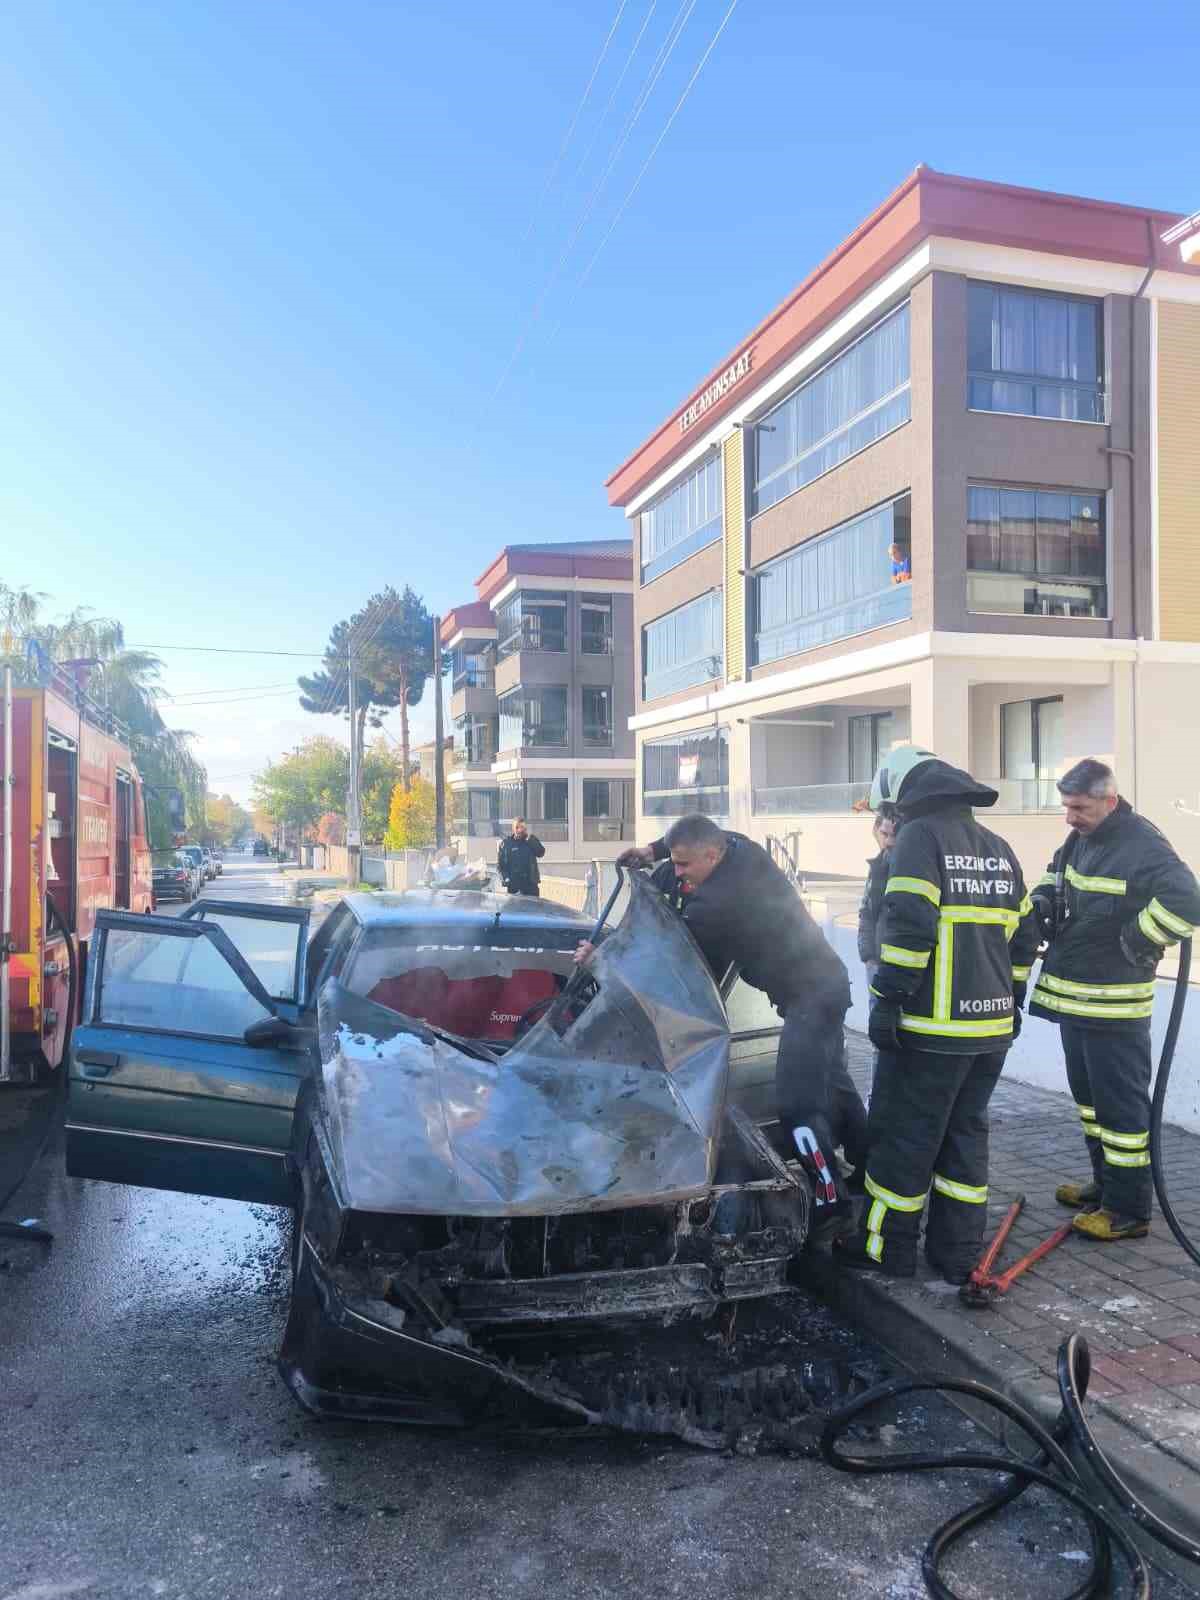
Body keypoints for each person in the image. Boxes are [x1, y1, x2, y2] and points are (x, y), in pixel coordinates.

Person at [592, 815, 867, 1218]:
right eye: (673, 861)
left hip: (811, 999)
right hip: (822, 986)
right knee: (834, 1085)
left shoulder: (716, 903)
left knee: (796, 1107)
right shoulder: (742, 849)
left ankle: (831, 1203)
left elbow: (675, 966)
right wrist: (653, 851)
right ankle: (871, 1167)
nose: (676, 872)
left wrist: (602, 958)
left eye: (684, 865)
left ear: (711, 855)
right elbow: (708, 835)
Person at [835, 746, 1040, 1283]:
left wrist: (889, 1000)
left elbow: (908, 928)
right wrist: (1010, 1000)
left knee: (904, 1142)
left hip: (928, 1033)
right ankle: (957, 1256)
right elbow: (1026, 939)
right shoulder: (997, 847)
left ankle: (885, 1250)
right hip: (990, 1032)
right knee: (965, 1144)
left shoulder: (920, 840)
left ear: (905, 798)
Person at [1030, 759, 1200, 1243]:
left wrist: (1135, 941)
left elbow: (1189, 901)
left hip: (1114, 1008)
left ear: (1109, 800)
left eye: (1079, 807)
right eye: (1065, 806)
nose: (1070, 817)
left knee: (1122, 1115)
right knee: (1091, 1106)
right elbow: (1054, 878)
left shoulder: (1141, 844)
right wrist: (1042, 904)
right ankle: (1104, 1188)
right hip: (1077, 1001)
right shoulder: (1082, 840)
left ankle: (1127, 1211)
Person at [857, 803, 899, 984]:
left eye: (894, 835)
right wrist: (868, 957)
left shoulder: (913, 866)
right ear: (876, 831)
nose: (889, 841)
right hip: (876, 965)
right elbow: (866, 912)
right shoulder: (878, 865)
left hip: (901, 969)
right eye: (884, 833)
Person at [497, 819, 544, 898]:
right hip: (514, 886)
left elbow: (541, 853)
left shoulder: (530, 840)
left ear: (525, 828)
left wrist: (530, 840)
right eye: (517, 827)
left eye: (522, 827)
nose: (519, 830)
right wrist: (506, 879)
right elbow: (501, 866)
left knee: (533, 909)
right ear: (513, 829)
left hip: (530, 885)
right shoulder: (506, 843)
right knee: (514, 909)